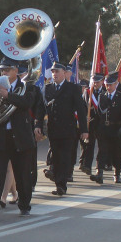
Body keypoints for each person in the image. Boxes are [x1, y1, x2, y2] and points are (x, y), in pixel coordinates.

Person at [0, 58, 38, 219]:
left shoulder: (27, 86)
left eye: (7, 70)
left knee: (22, 173)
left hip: (20, 138)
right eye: (2, 70)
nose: (3, 73)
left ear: (16, 71)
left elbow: (27, 103)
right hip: (0, 137)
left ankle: (24, 205)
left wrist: (8, 95)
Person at [41, 62, 88, 196]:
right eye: (53, 71)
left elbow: (80, 110)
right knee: (56, 156)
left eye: (57, 71)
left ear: (64, 73)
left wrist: (84, 130)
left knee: (65, 157)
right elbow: (41, 108)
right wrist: (39, 125)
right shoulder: (47, 88)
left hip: (68, 129)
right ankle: (58, 180)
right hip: (53, 129)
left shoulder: (73, 88)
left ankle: (61, 185)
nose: (54, 74)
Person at [92, 73, 121, 184]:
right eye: (107, 85)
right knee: (102, 151)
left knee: (117, 152)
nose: (108, 87)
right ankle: (99, 173)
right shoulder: (102, 96)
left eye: (110, 85)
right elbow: (99, 113)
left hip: (116, 129)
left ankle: (117, 173)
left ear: (116, 84)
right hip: (104, 128)